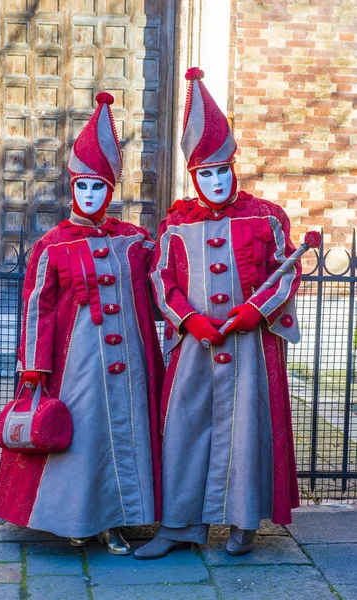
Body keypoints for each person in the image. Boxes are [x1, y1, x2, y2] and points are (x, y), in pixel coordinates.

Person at [134, 67, 302, 560]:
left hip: (250, 344)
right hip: (195, 346)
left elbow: (287, 272)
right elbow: (160, 280)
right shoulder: (175, 224)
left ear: (234, 167)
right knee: (184, 428)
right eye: (204, 174)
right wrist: (188, 320)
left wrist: (257, 311)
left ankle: (242, 523)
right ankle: (179, 526)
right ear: (194, 177)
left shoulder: (266, 216)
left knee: (245, 429)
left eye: (220, 171)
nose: (213, 181)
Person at [0, 92, 164, 554]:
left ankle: (118, 520)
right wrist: (34, 364)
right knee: (81, 438)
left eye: (100, 188)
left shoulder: (135, 241)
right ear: (73, 188)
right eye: (83, 187)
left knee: (123, 437)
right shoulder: (53, 245)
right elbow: (37, 305)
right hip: (76, 365)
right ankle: (75, 518)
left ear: (111, 192)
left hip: (130, 361)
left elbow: (164, 282)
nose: (90, 196)